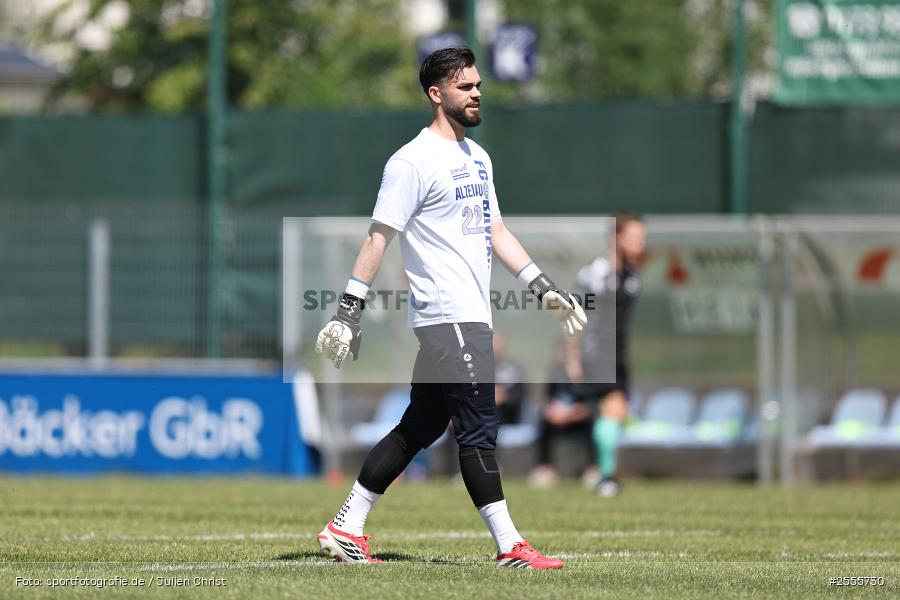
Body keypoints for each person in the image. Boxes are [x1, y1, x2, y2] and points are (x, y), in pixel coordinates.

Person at [313, 47, 586, 569]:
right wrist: (348, 310)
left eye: (479, 84)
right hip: (447, 316)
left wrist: (542, 286)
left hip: (470, 315)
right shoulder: (410, 162)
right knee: (480, 427)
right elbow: (378, 238)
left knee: (421, 426)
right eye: (465, 86)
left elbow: (496, 231)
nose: (477, 92)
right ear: (437, 94)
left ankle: (346, 526)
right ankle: (511, 547)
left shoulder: (478, 157)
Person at [565, 214, 646, 497]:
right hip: (597, 352)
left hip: (618, 354)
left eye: (641, 238)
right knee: (613, 409)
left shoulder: (632, 273)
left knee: (616, 413)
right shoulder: (596, 274)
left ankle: (597, 471)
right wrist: (572, 356)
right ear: (616, 238)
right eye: (634, 237)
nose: (639, 243)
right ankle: (606, 477)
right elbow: (573, 312)